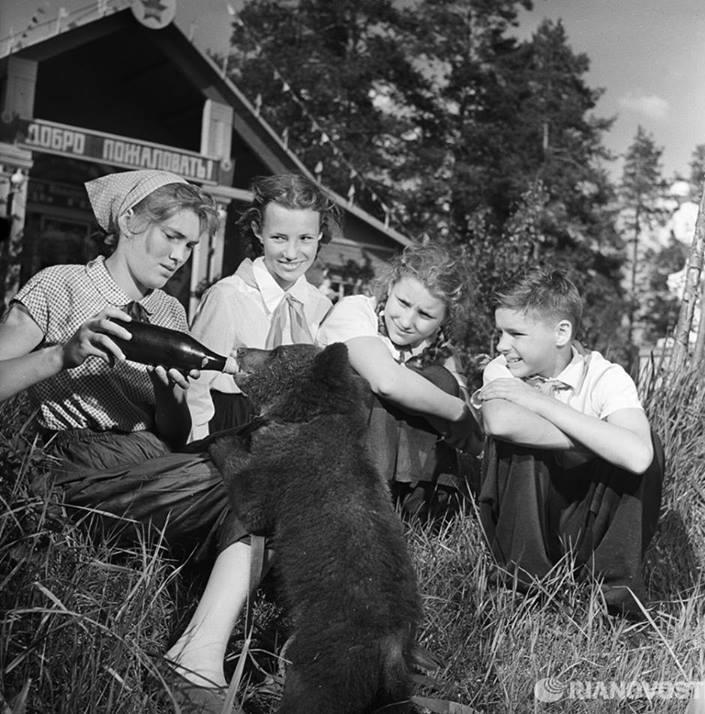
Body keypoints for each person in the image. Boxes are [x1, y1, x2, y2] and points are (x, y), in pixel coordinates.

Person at [0, 170, 244, 712]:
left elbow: (175, 435)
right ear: (129, 221)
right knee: (248, 481)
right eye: (172, 236)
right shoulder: (60, 285)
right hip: (78, 463)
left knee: (267, 471)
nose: (180, 255)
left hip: (153, 459)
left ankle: (197, 654)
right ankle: (195, 666)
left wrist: (170, 399)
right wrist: (61, 354)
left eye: (190, 244)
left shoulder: (171, 314)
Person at [473, 269, 664, 615]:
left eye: (515, 333)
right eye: (500, 332)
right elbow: (499, 422)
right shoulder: (501, 369)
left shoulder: (606, 376)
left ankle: (612, 600)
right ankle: (522, 587)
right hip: (525, 517)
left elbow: (638, 456)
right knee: (520, 438)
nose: (502, 345)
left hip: (585, 524)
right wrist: (603, 440)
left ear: (562, 332)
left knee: (651, 441)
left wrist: (541, 403)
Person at [316, 243, 483, 519]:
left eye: (426, 315)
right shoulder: (355, 312)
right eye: (403, 303)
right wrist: (458, 412)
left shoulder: (434, 349)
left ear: (444, 320)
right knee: (382, 390)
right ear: (390, 287)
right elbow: (387, 382)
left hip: (391, 466)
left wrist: (461, 403)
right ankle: (367, 503)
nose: (406, 321)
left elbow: (459, 405)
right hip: (337, 453)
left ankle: (423, 501)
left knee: (438, 382)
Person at [187, 173, 338, 440]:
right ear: (258, 231)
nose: (291, 253)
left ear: (320, 235)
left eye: (305, 238)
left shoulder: (323, 307)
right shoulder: (227, 297)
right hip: (230, 433)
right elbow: (194, 388)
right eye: (279, 237)